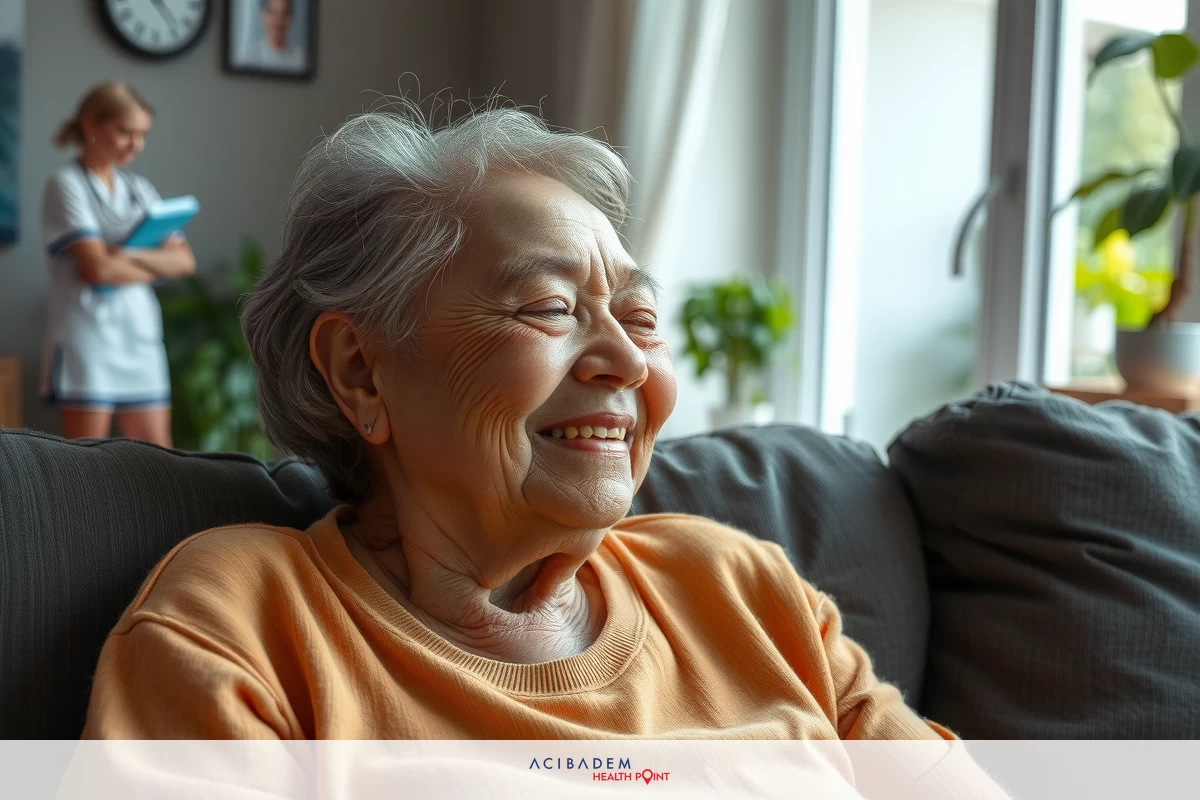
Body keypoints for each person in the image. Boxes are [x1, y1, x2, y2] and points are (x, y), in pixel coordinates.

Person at [77, 102, 1008, 793]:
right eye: (551, 309)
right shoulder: (242, 624)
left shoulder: (744, 589)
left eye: (641, 319)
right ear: (361, 372)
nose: (624, 360)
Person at [40, 82, 195, 445]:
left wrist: (126, 255)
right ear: (92, 125)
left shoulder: (140, 189)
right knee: (84, 460)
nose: (135, 145)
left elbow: (185, 262)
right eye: (126, 132)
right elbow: (98, 270)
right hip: (87, 337)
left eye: (142, 135)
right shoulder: (66, 185)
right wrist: (153, 262)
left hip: (139, 336)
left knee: (159, 462)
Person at [241, 0, 305, 73]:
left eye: (284, 13)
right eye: (272, 12)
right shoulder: (248, 57)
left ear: (291, 18)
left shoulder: (300, 60)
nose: (278, 20)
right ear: (262, 15)